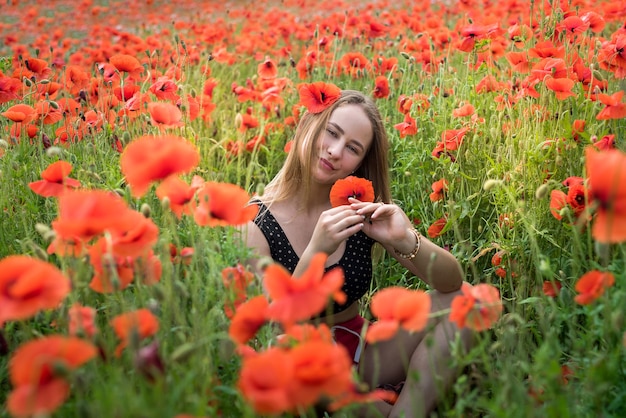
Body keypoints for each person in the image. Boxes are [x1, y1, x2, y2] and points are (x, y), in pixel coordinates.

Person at [243, 89, 473, 417]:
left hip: (361, 353)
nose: (335, 151)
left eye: (353, 148)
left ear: (361, 161)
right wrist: (316, 252)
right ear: (311, 123)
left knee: (468, 302)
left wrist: (406, 240)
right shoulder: (256, 222)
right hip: (299, 364)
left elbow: (451, 283)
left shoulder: (359, 209)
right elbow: (272, 333)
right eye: (331, 132)